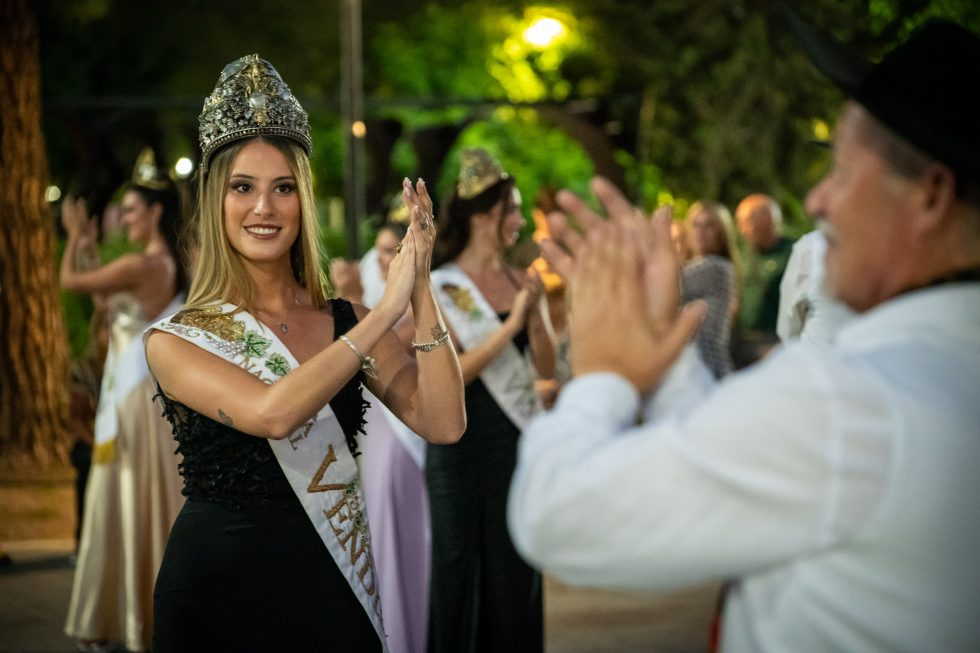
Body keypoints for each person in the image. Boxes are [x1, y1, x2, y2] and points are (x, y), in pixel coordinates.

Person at [508, 13, 980, 653]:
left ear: (931, 195)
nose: (816, 201)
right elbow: (740, 454)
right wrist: (663, 340)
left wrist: (602, 375)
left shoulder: (849, 402)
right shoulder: (931, 376)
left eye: (842, 170)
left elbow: (558, 516)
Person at [143, 54, 465, 653]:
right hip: (218, 594)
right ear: (216, 200)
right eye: (243, 187)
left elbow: (443, 422)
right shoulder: (176, 339)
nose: (264, 208)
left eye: (283, 188)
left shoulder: (347, 322)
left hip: (330, 587)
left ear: (303, 201)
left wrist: (419, 289)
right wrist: (384, 314)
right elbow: (273, 414)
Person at [427, 148, 555, 653]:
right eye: (513, 210)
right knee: (459, 565)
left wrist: (535, 315)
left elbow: (545, 365)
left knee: (513, 568)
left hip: (512, 445)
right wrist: (512, 324)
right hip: (459, 444)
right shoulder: (441, 285)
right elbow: (453, 372)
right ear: (482, 216)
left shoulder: (518, 281)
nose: (521, 221)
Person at [60, 149, 187, 653]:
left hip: (134, 400)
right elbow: (106, 303)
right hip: (144, 396)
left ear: (155, 212)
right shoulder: (167, 263)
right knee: (140, 497)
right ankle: (145, 613)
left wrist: (75, 236)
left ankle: (133, 616)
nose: (125, 217)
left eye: (132, 209)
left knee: (130, 496)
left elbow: (70, 283)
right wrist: (90, 248)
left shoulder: (140, 263)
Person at [731, 193, 794, 366]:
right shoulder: (742, 254)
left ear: (768, 220)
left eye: (746, 221)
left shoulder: (792, 251)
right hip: (743, 341)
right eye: (739, 223)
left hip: (776, 341)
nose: (742, 229)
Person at [681, 200, 739, 378]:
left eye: (709, 226)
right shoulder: (693, 265)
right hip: (692, 369)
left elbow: (666, 287)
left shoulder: (717, 267)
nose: (700, 232)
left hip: (709, 369)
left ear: (721, 232)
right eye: (696, 225)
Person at [776, 228, 854, 344]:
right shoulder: (809, 245)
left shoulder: (810, 245)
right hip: (815, 350)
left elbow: (788, 323)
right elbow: (788, 323)